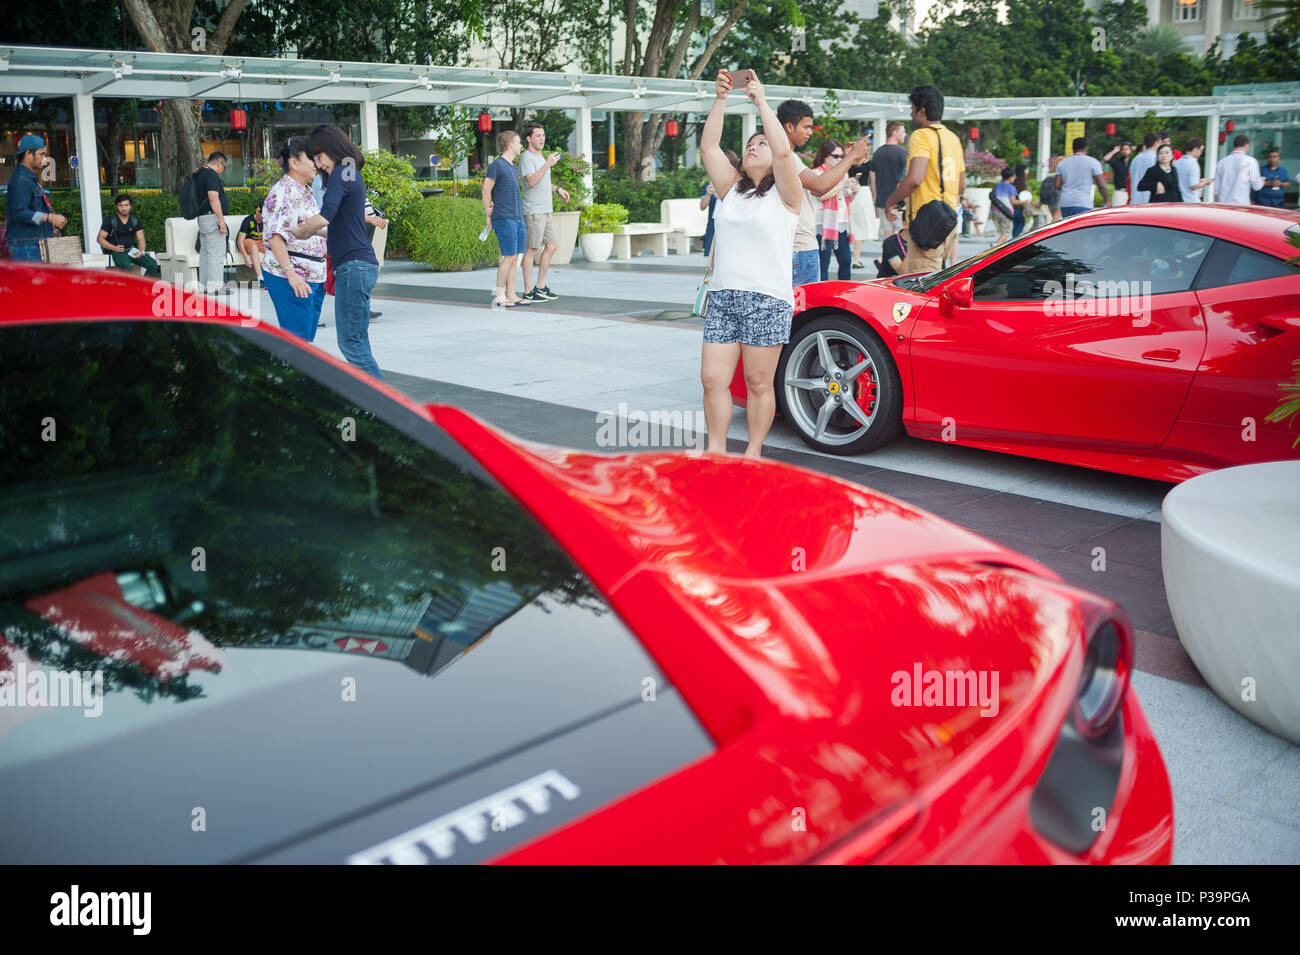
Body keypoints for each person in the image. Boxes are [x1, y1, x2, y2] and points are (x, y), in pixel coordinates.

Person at [699, 69, 802, 459]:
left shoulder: (787, 197)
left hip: (767, 300)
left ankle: (754, 452)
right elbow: (710, 149)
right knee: (712, 379)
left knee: (759, 382)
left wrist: (761, 101)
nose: (755, 146)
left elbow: (784, 152)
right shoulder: (731, 191)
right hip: (724, 296)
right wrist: (721, 99)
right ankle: (716, 450)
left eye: (762, 142)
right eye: (750, 143)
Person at [288, 125, 384, 380]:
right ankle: (373, 402)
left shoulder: (343, 172)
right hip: (360, 265)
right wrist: (311, 231)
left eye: (318, 157)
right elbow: (340, 228)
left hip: (353, 267)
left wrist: (300, 230)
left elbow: (325, 216)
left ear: (331, 149)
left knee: (351, 343)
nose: (318, 165)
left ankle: (385, 406)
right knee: (358, 341)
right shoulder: (351, 172)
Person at [776, 99, 867, 286]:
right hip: (799, 246)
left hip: (792, 244)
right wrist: (851, 157)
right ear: (789, 127)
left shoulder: (782, 157)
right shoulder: (787, 158)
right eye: (806, 127)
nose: (810, 132)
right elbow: (819, 186)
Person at [884, 85, 965, 273]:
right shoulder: (953, 138)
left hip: (925, 222)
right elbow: (961, 186)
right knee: (936, 277)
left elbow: (915, 179)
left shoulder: (921, 136)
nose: (911, 115)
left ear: (922, 111)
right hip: (948, 221)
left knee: (921, 285)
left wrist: (891, 200)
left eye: (912, 110)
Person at [260, 137, 328, 342]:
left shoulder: (305, 190)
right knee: (297, 342)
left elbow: (307, 228)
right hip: (293, 275)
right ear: (294, 162)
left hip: (314, 274)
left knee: (306, 339)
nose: (318, 164)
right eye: (312, 159)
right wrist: (291, 274)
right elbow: (274, 237)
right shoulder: (282, 193)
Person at [517, 122, 570, 304]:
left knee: (552, 246)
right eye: (538, 135)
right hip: (534, 211)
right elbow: (531, 181)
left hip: (546, 210)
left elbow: (543, 182)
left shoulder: (540, 158)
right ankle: (528, 291)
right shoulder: (527, 158)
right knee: (531, 251)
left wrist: (558, 189)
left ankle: (540, 287)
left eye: (543, 135)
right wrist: (548, 164)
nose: (542, 139)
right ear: (529, 139)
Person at [482, 130, 530, 308]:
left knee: (515, 256)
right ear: (510, 145)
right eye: (518, 143)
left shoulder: (512, 167)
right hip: (504, 218)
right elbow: (486, 190)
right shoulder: (497, 165)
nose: (521, 146)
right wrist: (488, 215)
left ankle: (511, 293)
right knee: (509, 256)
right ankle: (499, 294)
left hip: (517, 217)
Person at [6, 134, 67, 262]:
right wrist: (49, 217)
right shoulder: (21, 179)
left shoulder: (29, 178)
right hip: (27, 245)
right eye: (41, 154)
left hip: (31, 244)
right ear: (28, 154)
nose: (44, 159)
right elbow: (19, 212)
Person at [811, 140, 855, 281]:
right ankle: (822, 297)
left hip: (841, 223)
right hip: (823, 224)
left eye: (841, 156)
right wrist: (843, 184)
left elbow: (846, 199)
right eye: (836, 156)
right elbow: (822, 195)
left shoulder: (843, 174)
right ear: (825, 156)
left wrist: (854, 191)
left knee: (846, 261)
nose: (840, 160)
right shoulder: (816, 173)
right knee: (823, 264)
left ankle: (844, 296)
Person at [96, 194, 161, 276]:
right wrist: (114, 248)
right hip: (116, 252)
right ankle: (129, 288)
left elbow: (141, 239)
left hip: (131, 250)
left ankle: (142, 287)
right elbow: (100, 239)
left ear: (130, 206)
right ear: (117, 206)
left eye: (126, 205)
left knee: (153, 264)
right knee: (126, 266)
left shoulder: (135, 221)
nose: (123, 208)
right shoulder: (110, 220)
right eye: (121, 205)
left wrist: (141, 251)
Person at [195, 151, 229, 293]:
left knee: (205, 254)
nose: (222, 170)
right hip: (211, 217)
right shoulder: (211, 175)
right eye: (223, 167)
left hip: (202, 218)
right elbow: (213, 198)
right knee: (216, 253)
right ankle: (215, 287)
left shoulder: (199, 174)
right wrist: (221, 220)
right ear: (219, 163)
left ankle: (204, 285)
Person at [869, 121, 908, 238]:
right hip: (898, 203)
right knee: (904, 232)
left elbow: (873, 181)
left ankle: (888, 256)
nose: (905, 134)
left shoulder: (877, 153)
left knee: (888, 231)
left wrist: (875, 201)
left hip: (881, 202)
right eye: (902, 131)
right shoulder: (904, 153)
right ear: (894, 132)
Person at [1054, 137, 1108, 217]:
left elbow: (1057, 185)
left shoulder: (1062, 163)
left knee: (1069, 228)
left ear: (1073, 148)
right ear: (1086, 148)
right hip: (1083, 202)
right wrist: (1106, 200)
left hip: (1066, 203)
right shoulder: (1093, 162)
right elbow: (1101, 185)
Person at [1215, 134, 1264, 206]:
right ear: (1247, 146)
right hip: (1242, 205)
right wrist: (1262, 181)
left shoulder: (1221, 162)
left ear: (1234, 146)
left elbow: (1216, 189)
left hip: (1224, 205)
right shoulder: (1251, 161)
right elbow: (1257, 186)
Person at [1175, 139, 1212, 203]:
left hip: (1179, 199)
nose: (1201, 153)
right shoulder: (1193, 163)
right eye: (1201, 150)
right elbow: (1193, 186)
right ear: (1195, 149)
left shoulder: (1177, 162)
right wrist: (1206, 182)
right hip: (1191, 200)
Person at [236, 203, 265, 285]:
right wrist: (245, 256)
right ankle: (260, 278)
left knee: (273, 247)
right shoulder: (248, 220)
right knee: (253, 246)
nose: (264, 217)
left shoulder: (267, 220)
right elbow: (240, 240)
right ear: (257, 211)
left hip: (259, 242)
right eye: (262, 214)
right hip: (246, 242)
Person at [1127, 133, 1159, 205]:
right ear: (1156, 143)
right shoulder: (1156, 158)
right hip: (1149, 199)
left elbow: (1131, 178)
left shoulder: (1136, 158)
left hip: (1135, 198)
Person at [989, 167, 1017, 244]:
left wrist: (991, 212)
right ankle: (995, 246)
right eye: (1014, 176)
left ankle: (998, 247)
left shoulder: (997, 186)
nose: (1014, 178)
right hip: (1006, 213)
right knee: (1006, 232)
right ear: (1010, 176)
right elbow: (1013, 201)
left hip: (996, 211)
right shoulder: (1011, 188)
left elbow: (993, 200)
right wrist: (1025, 202)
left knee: (1002, 233)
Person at [700, 180, 718, 255]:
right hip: (713, 225)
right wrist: (708, 193)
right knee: (711, 254)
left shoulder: (735, 182)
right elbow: (702, 206)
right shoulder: (710, 183)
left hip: (730, 224)